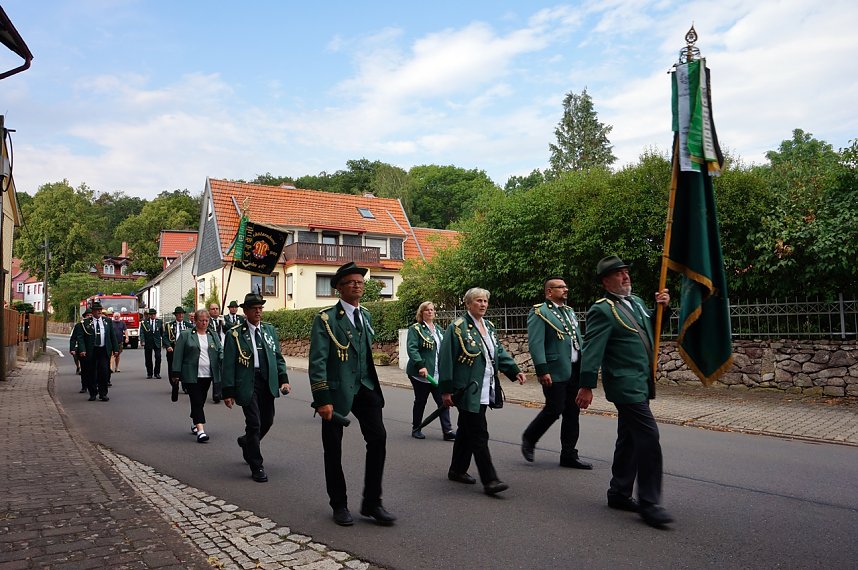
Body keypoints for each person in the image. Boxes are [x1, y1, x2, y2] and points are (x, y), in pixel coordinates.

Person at [576, 256, 673, 528]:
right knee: (649, 437)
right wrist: (586, 385)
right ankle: (649, 503)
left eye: (626, 272)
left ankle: (619, 492)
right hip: (624, 384)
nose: (625, 276)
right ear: (606, 281)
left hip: (641, 381)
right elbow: (592, 349)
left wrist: (663, 309)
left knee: (629, 437)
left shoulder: (638, 302)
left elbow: (653, 330)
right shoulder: (602, 310)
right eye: (619, 273)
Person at [309, 262, 396, 527]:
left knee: (378, 438)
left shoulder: (365, 315)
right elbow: (317, 361)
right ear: (339, 288)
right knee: (333, 449)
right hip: (336, 392)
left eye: (360, 282)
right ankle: (339, 504)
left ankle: (372, 502)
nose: (357, 285)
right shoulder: (326, 319)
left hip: (365, 386)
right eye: (351, 282)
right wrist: (322, 399)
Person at [438, 287, 527, 496]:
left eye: (485, 301)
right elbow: (446, 360)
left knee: (466, 430)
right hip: (468, 390)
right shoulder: (457, 328)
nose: (483, 304)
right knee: (479, 432)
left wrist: (514, 370)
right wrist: (446, 391)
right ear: (468, 304)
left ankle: (457, 470)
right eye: (478, 301)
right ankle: (490, 480)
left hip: (487, 387)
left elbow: (498, 352)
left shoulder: (489, 326)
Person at [521, 276, 592, 469]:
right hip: (554, 370)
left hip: (575, 368)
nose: (565, 289)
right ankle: (530, 438)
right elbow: (536, 343)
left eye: (565, 286)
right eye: (560, 287)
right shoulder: (540, 312)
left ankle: (569, 455)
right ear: (549, 292)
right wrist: (542, 370)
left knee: (573, 412)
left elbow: (577, 339)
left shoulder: (569, 311)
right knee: (555, 408)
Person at [222, 292, 290, 483]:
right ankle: (256, 465)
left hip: (267, 380)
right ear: (246, 311)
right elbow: (228, 364)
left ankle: (247, 442)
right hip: (247, 382)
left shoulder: (269, 330)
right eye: (254, 309)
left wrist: (284, 379)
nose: (258, 312)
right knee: (254, 423)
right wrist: (228, 391)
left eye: (260, 308)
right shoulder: (234, 334)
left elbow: (278, 357)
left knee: (267, 420)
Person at [405, 301, 455, 441]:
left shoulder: (438, 329)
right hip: (421, 374)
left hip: (437, 374)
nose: (430, 312)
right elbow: (412, 348)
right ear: (421, 313)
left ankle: (447, 431)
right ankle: (416, 428)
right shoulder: (416, 329)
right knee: (421, 401)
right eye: (427, 310)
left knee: (443, 402)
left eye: (432, 310)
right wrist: (420, 365)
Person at [172, 309, 223, 443]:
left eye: (206, 320)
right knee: (196, 400)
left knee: (201, 400)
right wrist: (176, 373)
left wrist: (225, 360)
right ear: (195, 321)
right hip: (191, 373)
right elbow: (178, 354)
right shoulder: (186, 335)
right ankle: (201, 431)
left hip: (207, 374)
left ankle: (194, 421)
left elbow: (220, 350)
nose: (204, 323)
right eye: (201, 320)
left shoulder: (213, 335)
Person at [75, 302, 118, 402]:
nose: (99, 311)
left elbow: (112, 336)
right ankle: (93, 393)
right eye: (97, 310)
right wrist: (82, 349)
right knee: (91, 372)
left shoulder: (107, 321)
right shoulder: (85, 323)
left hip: (103, 350)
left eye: (100, 310)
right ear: (93, 311)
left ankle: (103, 393)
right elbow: (80, 337)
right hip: (92, 350)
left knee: (104, 372)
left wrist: (115, 349)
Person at [164, 307, 191, 391]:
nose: (181, 315)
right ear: (175, 315)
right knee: (172, 368)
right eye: (179, 314)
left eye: (182, 314)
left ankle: (185, 386)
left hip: (185, 350)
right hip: (173, 349)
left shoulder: (188, 325)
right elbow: (165, 337)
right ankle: (174, 385)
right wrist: (168, 346)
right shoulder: (169, 325)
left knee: (185, 368)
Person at [207, 302, 226, 403]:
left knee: (222, 371)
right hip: (212, 348)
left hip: (223, 348)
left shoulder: (223, 320)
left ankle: (221, 392)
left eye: (217, 309)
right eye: (213, 309)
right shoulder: (207, 321)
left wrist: (224, 323)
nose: (215, 310)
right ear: (209, 311)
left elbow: (230, 329)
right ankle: (216, 393)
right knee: (215, 372)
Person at [70, 308, 91, 392]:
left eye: (91, 315)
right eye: (88, 315)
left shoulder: (95, 325)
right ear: (84, 317)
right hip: (82, 350)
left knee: (94, 369)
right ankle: (84, 386)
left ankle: (93, 385)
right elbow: (73, 338)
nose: (89, 317)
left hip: (93, 350)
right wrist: (72, 348)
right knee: (84, 369)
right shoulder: (79, 326)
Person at [140, 308, 164, 379]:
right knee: (148, 358)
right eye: (151, 314)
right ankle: (149, 373)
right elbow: (142, 332)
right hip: (148, 342)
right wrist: (143, 340)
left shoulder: (159, 321)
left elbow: (162, 332)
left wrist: (163, 341)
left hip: (157, 342)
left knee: (158, 357)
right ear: (149, 315)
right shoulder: (144, 322)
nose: (153, 315)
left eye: (154, 314)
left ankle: (157, 373)